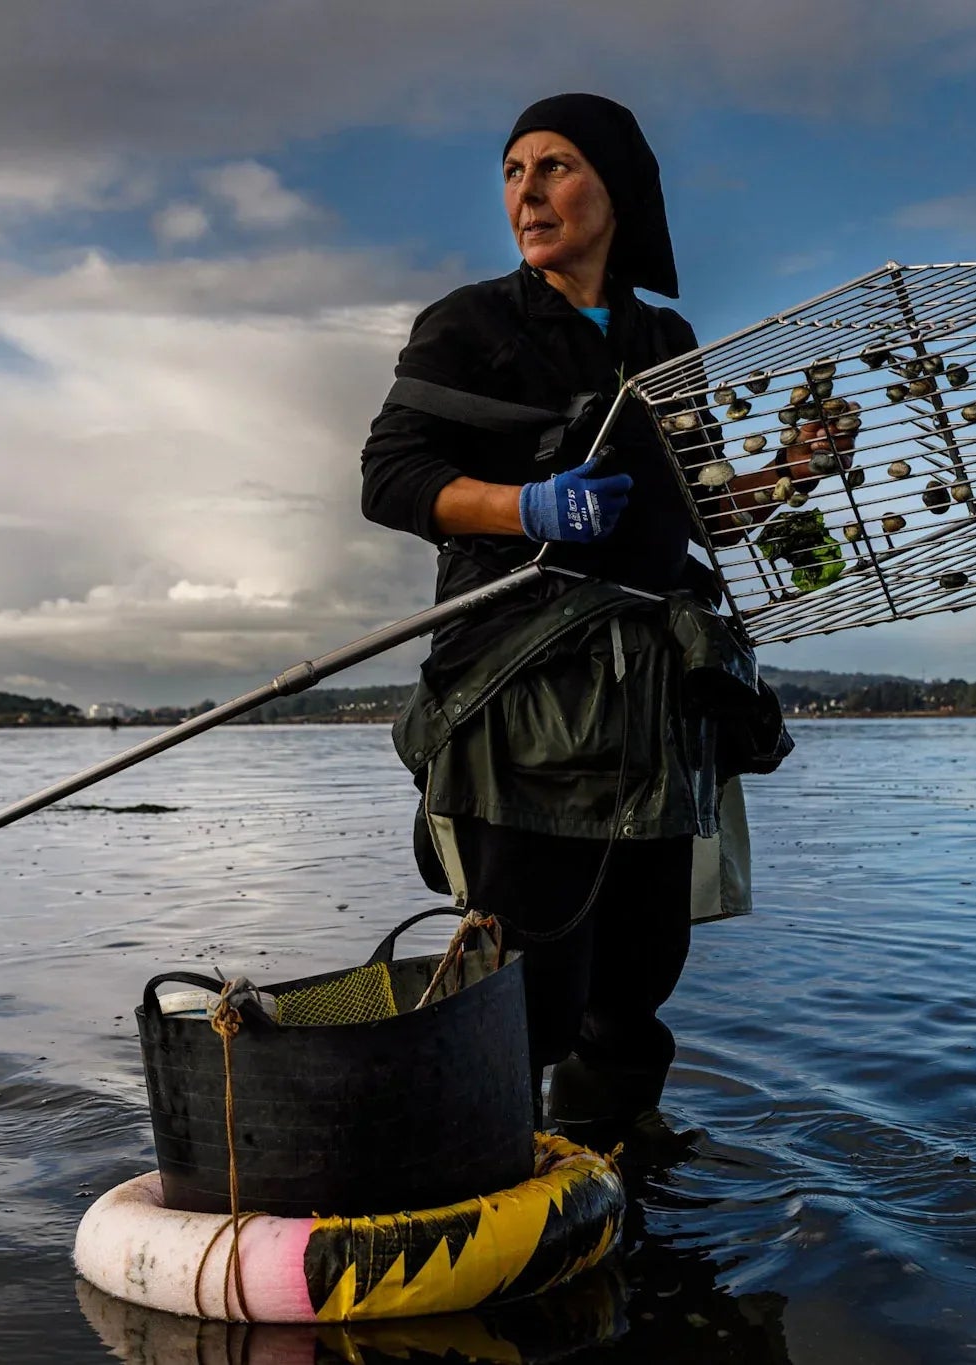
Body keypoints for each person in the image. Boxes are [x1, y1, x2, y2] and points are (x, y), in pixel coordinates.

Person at [359, 94, 795, 1136]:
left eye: (554, 168)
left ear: (617, 189)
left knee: (641, 974)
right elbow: (389, 477)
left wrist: (790, 471)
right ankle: (498, 1175)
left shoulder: (662, 337)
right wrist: (524, 506)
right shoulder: (468, 325)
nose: (527, 193)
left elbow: (713, 515)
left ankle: (611, 1181)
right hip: (525, 696)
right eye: (513, 173)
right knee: (534, 974)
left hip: (651, 702)